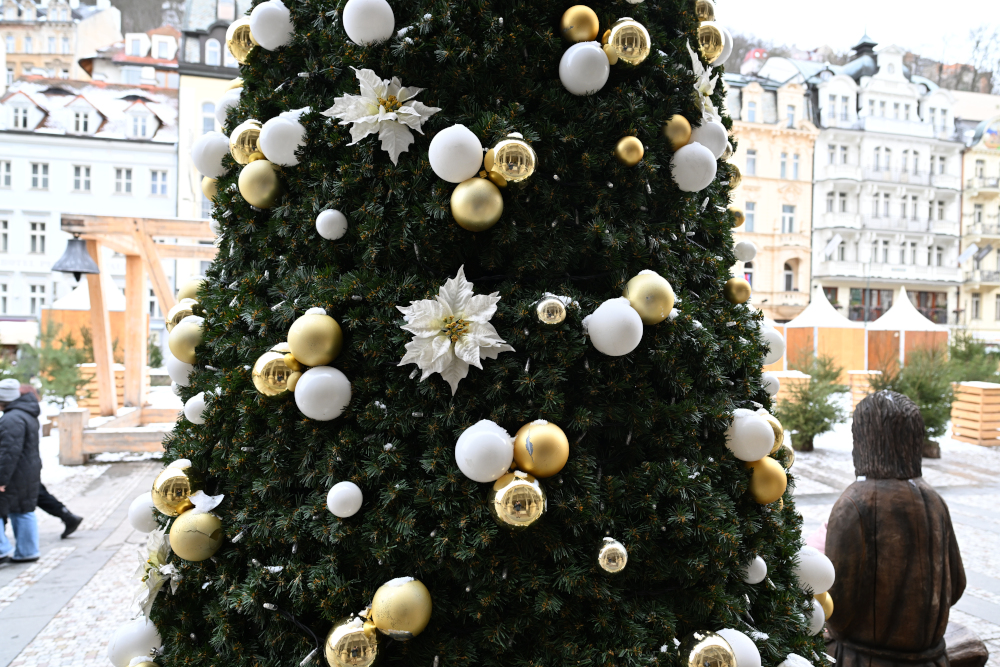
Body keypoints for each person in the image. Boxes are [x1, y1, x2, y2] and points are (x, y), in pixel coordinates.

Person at [825, 390, 965, 667]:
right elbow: (956, 584)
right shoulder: (935, 500)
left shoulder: (855, 503)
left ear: (864, 441)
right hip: (934, 659)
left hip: (866, 661)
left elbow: (836, 604)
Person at [16, 384, 83, 538]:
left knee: (37, 495)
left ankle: (67, 516)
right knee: (39, 494)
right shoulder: (30, 412)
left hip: (23, 464)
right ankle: (67, 516)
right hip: (29, 462)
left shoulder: (22, 415)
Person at [0, 377, 42, 563]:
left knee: (21, 511)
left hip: (15, 473)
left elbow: (9, 453)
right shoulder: (26, 413)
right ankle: (27, 551)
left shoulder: (11, 419)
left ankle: (3, 548)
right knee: (23, 509)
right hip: (27, 470)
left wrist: (1, 479)